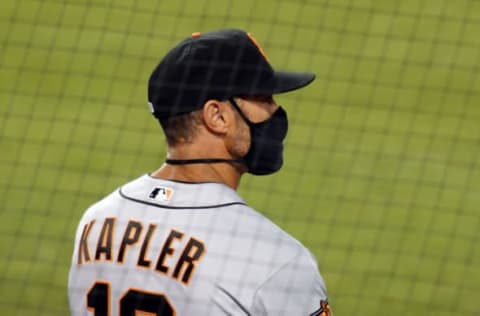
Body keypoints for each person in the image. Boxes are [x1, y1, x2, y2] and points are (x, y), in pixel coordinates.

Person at [68, 28, 332, 315]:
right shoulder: (276, 260)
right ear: (217, 116)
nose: (275, 110)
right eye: (263, 98)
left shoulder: (96, 223)